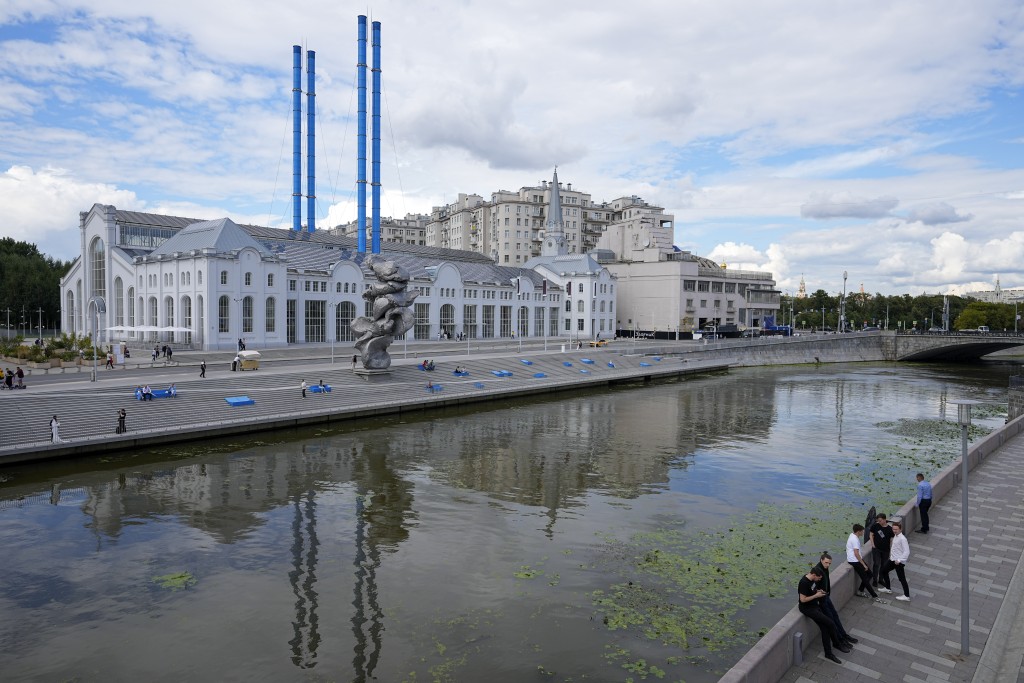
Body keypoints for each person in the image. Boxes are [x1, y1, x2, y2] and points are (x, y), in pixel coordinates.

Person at [797, 565, 848, 664]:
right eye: (818, 578)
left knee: (825, 628)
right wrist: (816, 595)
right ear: (813, 575)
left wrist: (817, 591)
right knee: (830, 623)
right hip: (807, 609)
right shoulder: (804, 583)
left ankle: (828, 653)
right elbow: (802, 600)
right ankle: (836, 644)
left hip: (814, 606)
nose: (818, 580)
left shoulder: (812, 580)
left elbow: (811, 591)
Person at [812, 552, 857, 648]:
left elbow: (826, 582)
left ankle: (844, 635)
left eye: (829, 563)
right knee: (831, 620)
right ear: (821, 560)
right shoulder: (817, 570)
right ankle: (839, 640)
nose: (828, 565)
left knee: (835, 616)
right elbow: (812, 586)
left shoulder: (825, 568)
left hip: (826, 597)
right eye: (826, 563)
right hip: (822, 600)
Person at [847, 523, 881, 601]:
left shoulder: (852, 535)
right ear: (858, 532)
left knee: (869, 574)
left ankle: (860, 590)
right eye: (862, 531)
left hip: (854, 559)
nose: (863, 532)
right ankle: (874, 596)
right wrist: (863, 564)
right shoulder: (855, 540)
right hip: (855, 561)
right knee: (865, 578)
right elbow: (856, 553)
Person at [883, 521, 912, 601]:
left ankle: (906, 596)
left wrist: (899, 560)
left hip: (898, 562)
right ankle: (888, 588)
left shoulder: (903, 539)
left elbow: (907, 552)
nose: (894, 531)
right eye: (893, 529)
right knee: (884, 571)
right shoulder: (896, 536)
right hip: (892, 559)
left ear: (900, 529)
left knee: (902, 579)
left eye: (896, 529)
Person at [869, 513, 894, 590]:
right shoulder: (875, 526)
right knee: (876, 564)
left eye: (880, 521)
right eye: (878, 521)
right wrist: (872, 544)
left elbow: (892, 540)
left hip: (886, 550)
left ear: (884, 519)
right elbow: (871, 534)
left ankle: (881, 579)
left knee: (884, 565)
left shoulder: (890, 529)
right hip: (876, 548)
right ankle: (874, 580)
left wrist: (891, 549)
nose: (879, 522)